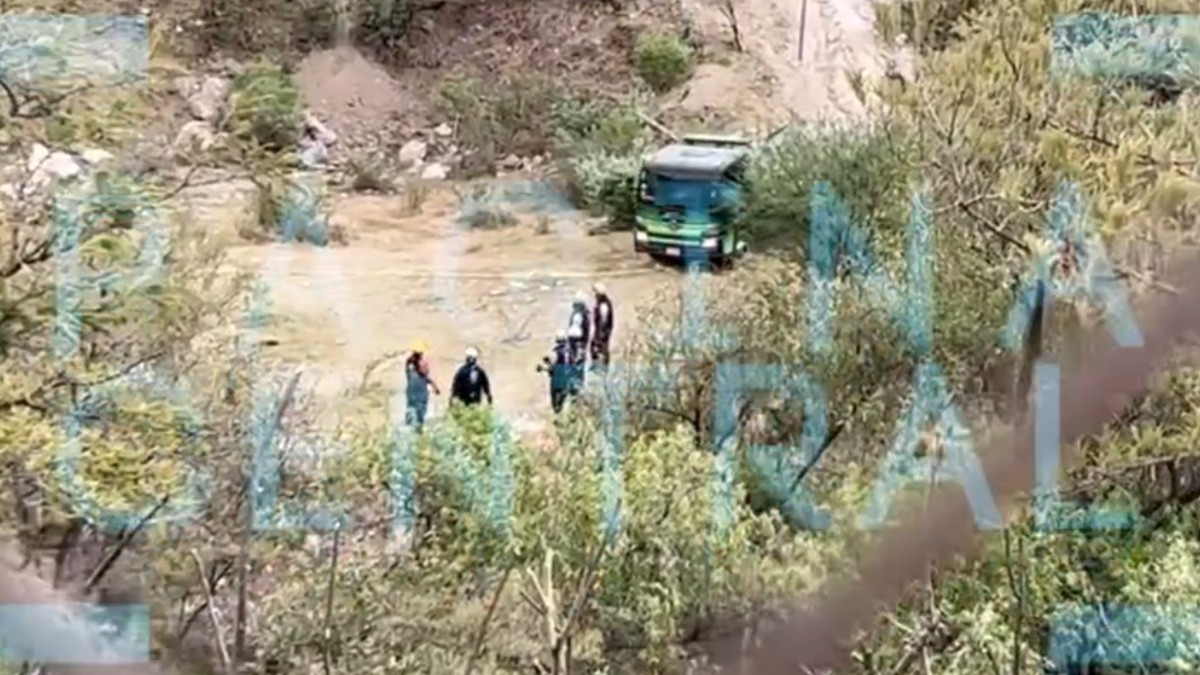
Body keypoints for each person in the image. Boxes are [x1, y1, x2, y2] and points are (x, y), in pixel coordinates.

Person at [404, 340, 440, 432]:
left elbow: (408, 377)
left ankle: (408, 428)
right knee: (420, 416)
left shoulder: (408, 362)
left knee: (410, 410)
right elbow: (425, 374)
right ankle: (419, 432)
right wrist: (434, 386)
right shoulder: (422, 363)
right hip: (420, 393)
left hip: (410, 391)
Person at [538, 330, 573, 413]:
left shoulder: (556, 352)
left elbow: (552, 367)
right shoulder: (570, 352)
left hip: (557, 381)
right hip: (566, 381)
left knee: (555, 405)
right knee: (561, 403)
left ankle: (557, 416)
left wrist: (542, 369)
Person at [590, 282, 614, 373]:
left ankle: (601, 368)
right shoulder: (603, 303)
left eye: (595, 293)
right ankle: (601, 367)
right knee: (598, 347)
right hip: (604, 330)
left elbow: (602, 321)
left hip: (603, 331)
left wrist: (599, 335)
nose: (594, 295)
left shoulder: (603, 305)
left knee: (600, 348)